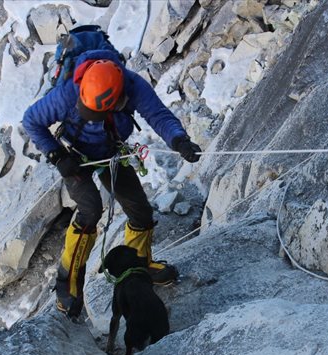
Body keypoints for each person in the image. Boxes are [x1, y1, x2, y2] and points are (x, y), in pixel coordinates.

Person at [22, 47, 201, 321]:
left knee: (140, 211)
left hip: (111, 152)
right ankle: (67, 285)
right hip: (73, 156)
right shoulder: (68, 92)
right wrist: (57, 155)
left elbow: (159, 116)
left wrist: (179, 140)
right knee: (90, 210)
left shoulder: (132, 86)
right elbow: (32, 121)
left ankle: (140, 268)